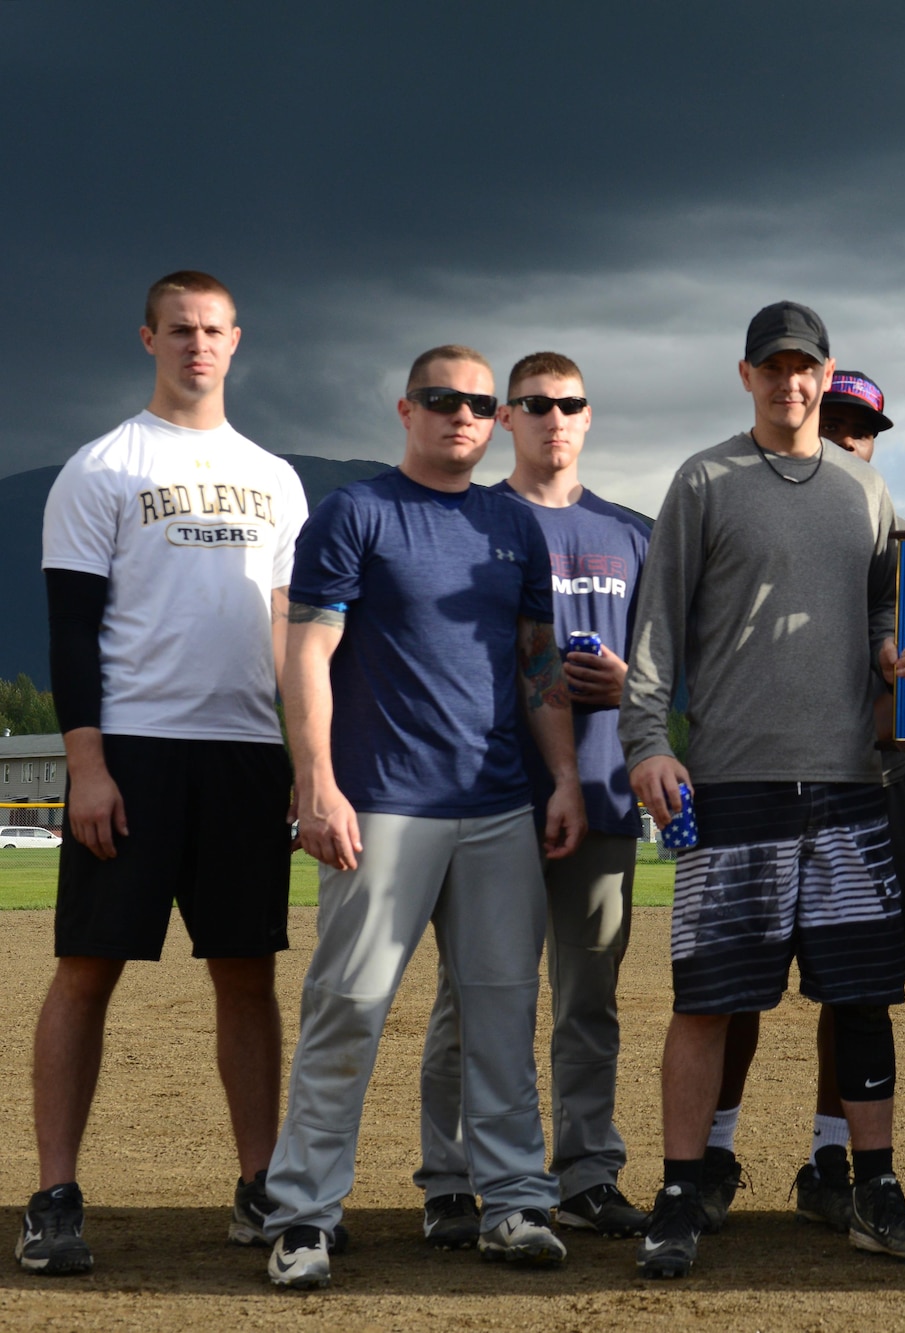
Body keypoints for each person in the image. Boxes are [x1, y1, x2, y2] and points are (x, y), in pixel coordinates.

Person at [619, 301, 905, 1278]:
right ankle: (681, 1189)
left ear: (824, 372)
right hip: (733, 777)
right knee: (709, 999)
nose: (789, 383)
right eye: (772, 368)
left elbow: (891, 606)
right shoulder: (704, 479)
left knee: (861, 997)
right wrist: (645, 740)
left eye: (804, 368)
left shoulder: (866, 489)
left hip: (850, 779)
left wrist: (898, 647)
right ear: (747, 375)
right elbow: (657, 628)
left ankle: (871, 1186)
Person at [261, 344, 586, 1289]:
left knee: (499, 1011)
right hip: (382, 808)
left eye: (481, 404)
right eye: (443, 399)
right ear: (407, 409)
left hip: (495, 806)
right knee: (348, 1013)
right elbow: (307, 656)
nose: (463, 416)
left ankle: (516, 1201)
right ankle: (304, 1216)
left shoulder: (512, 526)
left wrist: (561, 776)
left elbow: (539, 666)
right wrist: (315, 780)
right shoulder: (356, 512)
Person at [23, 271, 306, 1276]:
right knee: (87, 971)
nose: (197, 344)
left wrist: (300, 757)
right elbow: (71, 630)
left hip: (241, 754)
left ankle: (258, 1183)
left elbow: (288, 633)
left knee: (246, 972)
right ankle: (54, 1194)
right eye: (179, 328)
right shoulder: (101, 467)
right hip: (134, 751)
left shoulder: (275, 477)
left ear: (238, 340)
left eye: (213, 329)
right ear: (148, 336)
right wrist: (86, 765)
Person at [413, 351, 654, 1246]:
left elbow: (672, 669)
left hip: (602, 791)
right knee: (470, 998)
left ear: (589, 418)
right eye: (536, 405)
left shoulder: (633, 533)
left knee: (588, 999)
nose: (555, 419)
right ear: (506, 419)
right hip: (490, 796)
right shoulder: (477, 520)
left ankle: (586, 1173)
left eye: (571, 404)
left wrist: (632, 681)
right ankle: (451, 1179)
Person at [704, 367, 905, 1236]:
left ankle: (831, 1157)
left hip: (867, 778)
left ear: (876, 436)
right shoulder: (742, 500)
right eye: (835, 419)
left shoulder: (883, 518)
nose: (847, 437)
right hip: (760, 775)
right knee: (733, 990)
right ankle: (716, 1152)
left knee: (857, 992)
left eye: (862, 426)